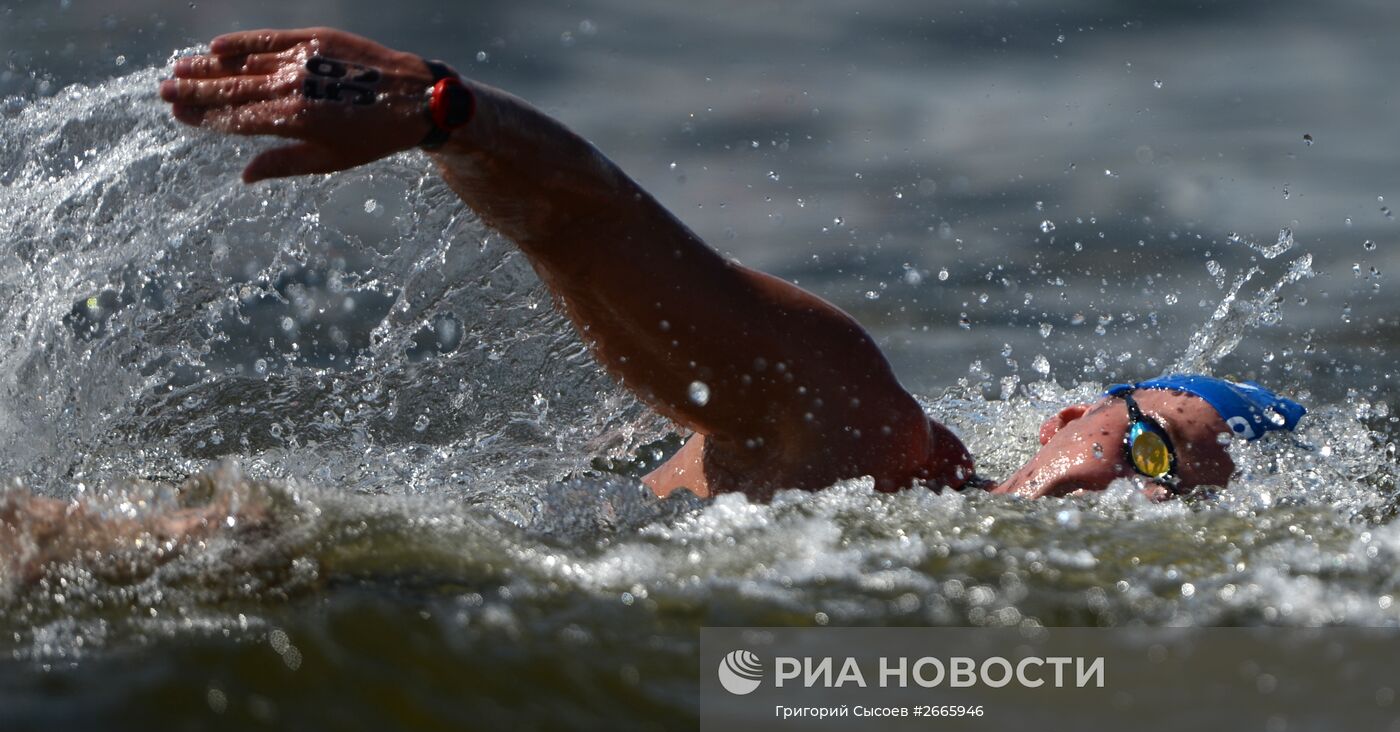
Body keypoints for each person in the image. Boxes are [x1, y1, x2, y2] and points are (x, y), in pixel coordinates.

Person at [0, 27, 1308, 578]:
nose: (1142, 495)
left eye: (1182, 502)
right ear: (1066, 414)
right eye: (1145, 445)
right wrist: (446, 112)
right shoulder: (858, 424)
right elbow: (591, 219)